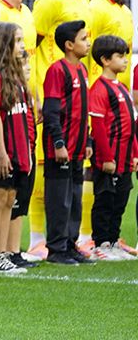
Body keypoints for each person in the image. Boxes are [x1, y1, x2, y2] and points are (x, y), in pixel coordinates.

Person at [28, 0, 92, 259]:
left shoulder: (84, 0)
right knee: (53, 181)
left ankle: (70, 241)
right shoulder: (50, 0)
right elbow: (35, 43)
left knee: (74, 187)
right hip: (55, 98)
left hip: (77, 101)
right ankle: (42, 240)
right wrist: (37, 91)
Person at [0, 23, 37, 272]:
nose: (23, 46)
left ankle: (3, 252)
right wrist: (2, 153)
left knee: (10, 198)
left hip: (19, 150)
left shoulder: (17, 78)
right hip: (3, 151)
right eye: (18, 40)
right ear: (5, 44)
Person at [41, 20, 93, 266]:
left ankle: (70, 244)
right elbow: (51, 111)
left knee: (74, 199)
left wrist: (88, 139)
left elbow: (83, 110)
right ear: (69, 45)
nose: (88, 43)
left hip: (78, 149)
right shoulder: (57, 70)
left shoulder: (82, 70)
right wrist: (58, 142)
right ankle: (56, 249)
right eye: (84, 39)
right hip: (60, 150)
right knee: (59, 200)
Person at [86, 35, 136, 261]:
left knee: (120, 201)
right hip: (109, 158)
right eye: (120, 56)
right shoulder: (99, 89)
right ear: (105, 60)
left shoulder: (122, 87)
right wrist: (106, 158)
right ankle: (101, 243)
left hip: (124, 158)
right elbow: (98, 127)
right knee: (105, 200)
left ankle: (114, 241)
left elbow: (131, 124)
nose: (125, 60)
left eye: (126, 56)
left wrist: (134, 154)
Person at [85, 0, 133, 89]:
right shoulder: (95, 9)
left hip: (122, 90)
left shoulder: (126, 11)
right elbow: (84, 53)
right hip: (100, 91)